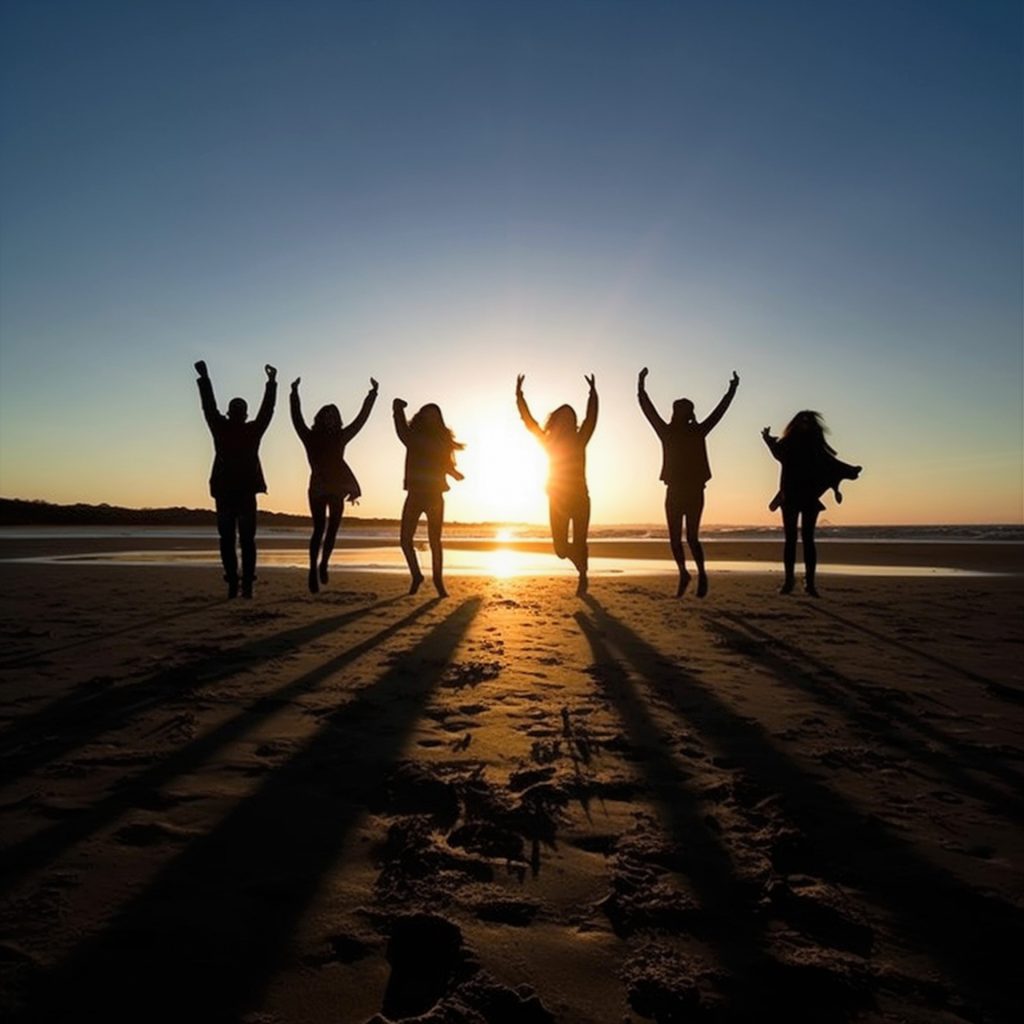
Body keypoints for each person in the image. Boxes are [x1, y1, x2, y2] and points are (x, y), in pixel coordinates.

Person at [637, 367, 739, 597]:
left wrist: (731, 390)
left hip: (694, 491)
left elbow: (719, 412)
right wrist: (641, 387)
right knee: (674, 539)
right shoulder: (667, 432)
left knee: (692, 537)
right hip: (674, 491)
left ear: (689, 412)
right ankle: (684, 573)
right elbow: (649, 411)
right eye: (678, 409)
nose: (680, 413)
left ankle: (702, 573)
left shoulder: (698, 431)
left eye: (683, 410)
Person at [194, 360, 277, 598]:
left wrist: (271, 384)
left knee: (238, 540)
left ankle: (241, 583)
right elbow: (209, 407)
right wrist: (204, 378)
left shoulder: (243, 429)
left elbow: (209, 407)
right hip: (229, 492)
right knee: (235, 540)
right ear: (235, 413)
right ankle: (237, 582)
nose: (239, 414)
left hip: (240, 492)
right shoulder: (225, 427)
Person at [291, 376, 378, 593]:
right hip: (318, 488)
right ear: (320, 418)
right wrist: (294, 393)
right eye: (326, 415)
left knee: (332, 531)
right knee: (319, 529)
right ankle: (312, 570)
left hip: (337, 488)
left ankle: (324, 564)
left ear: (337, 419)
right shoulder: (309, 436)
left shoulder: (341, 436)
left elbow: (361, 420)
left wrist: (372, 395)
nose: (330, 419)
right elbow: (296, 418)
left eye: (334, 416)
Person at [762, 411, 861, 597]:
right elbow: (778, 452)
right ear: (796, 423)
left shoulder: (815, 447)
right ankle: (789, 581)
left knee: (808, 540)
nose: (805, 424)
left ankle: (809, 583)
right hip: (789, 497)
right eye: (802, 421)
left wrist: (850, 470)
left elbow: (833, 463)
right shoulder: (788, 445)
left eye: (808, 421)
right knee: (790, 540)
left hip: (808, 498)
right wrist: (768, 441)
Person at [516, 373, 598, 596]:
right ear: (557, 421)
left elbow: (591, 419)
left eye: (571, 418)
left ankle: (583, 576)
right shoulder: (548, 442)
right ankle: (581, 565)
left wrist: (593, 394)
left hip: (581, 498)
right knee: (560, 550)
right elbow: (529, 422)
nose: (567, 421)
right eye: (563, 418)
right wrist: (519, 395)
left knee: (580, 541)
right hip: (557, 499)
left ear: (573, 423)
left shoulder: (580, 440)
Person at [393, 399, 464, 597]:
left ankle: (439, 582)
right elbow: (400, 430)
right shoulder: (413, 437)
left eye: (435, 415)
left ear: (439, 419)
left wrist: (454, 473)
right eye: (427, 415)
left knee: (435, 541)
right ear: (421, 417)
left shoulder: (442, 441)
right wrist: (397, 408)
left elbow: (444, 463)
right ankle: (416, 575)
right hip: (415, 494)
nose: (431, 419)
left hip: (435, 496)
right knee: (405, 539)